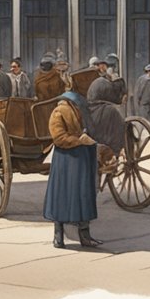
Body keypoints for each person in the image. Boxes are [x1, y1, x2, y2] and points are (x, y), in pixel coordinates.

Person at [44, 88, 100, 249]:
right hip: (66, 159)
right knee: (62, 195)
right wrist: (79, 140)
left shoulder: (80, 110)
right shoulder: (59, 111)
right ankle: (58, 237)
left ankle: (84, 236)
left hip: (81, 157)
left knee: (83, 195)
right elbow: (59, 137)